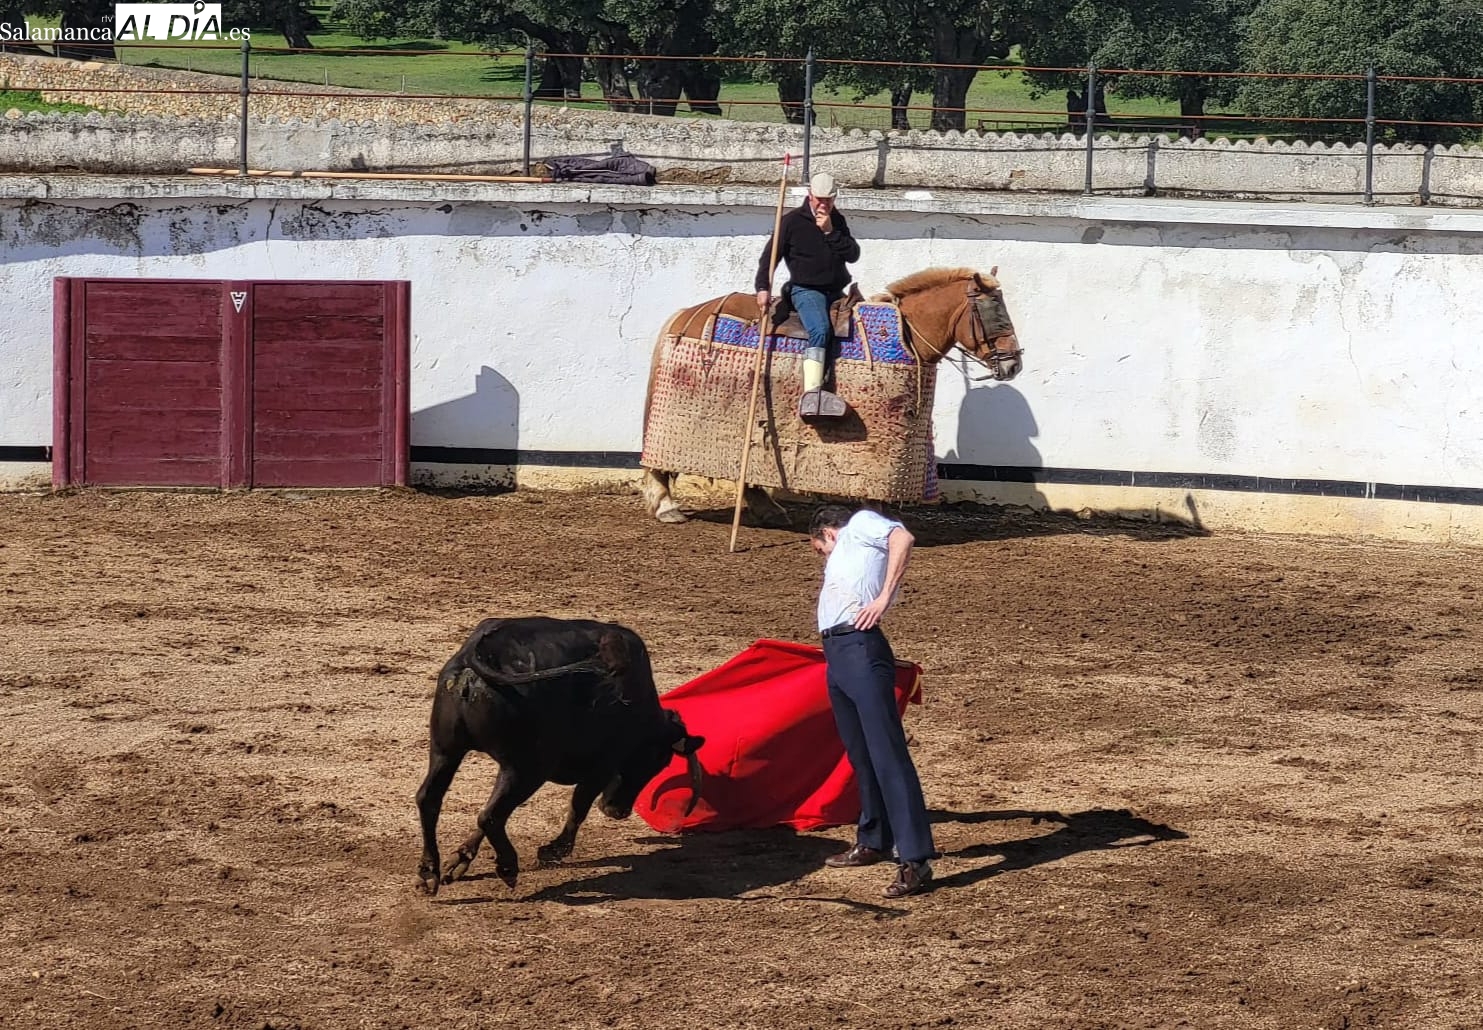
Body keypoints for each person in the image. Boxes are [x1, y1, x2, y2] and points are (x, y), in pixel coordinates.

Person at [808, 503, 937, 898]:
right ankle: (874, 838)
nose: (823, 558)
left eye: (820, 549)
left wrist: (882, 598)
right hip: (839, 655)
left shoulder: (860, 524)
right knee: (861, 753)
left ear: (828, 533)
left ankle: (915, 859)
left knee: (887, 753)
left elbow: (903, 537)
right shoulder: (850, 550)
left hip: (860, 648)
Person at [754, 171, 861, 419]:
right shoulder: (791, 222)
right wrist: (762, 288)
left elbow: (853, 254)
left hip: (837, 291)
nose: (824, 204)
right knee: (821, 330)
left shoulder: (837, 220)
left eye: (829, 200)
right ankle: (811, 394)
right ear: (810, 195)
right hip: (806, 289)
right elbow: (770, 257)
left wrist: (830, 232)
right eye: (820, 199)